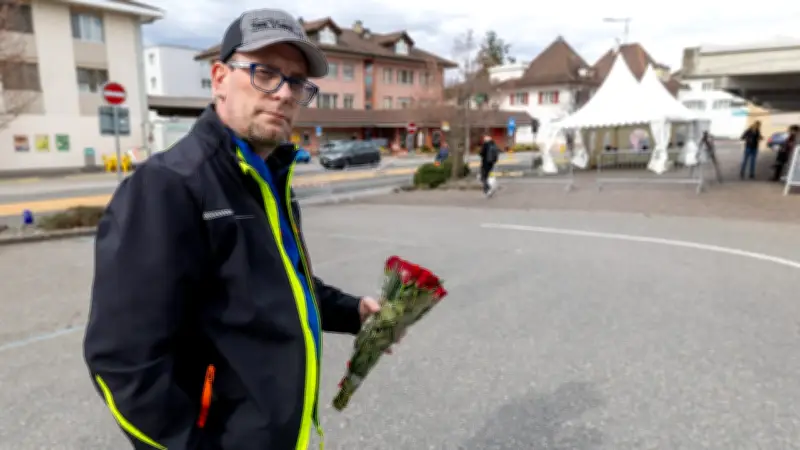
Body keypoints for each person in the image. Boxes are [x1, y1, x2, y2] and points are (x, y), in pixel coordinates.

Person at [83, 9, 398, 450]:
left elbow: (277, 285)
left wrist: (352, 312)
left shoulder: (268, 178)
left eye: (297, 81)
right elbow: (123, 361)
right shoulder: (168, 187)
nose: (285, 93)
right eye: (266, 72)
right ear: (219, 78)